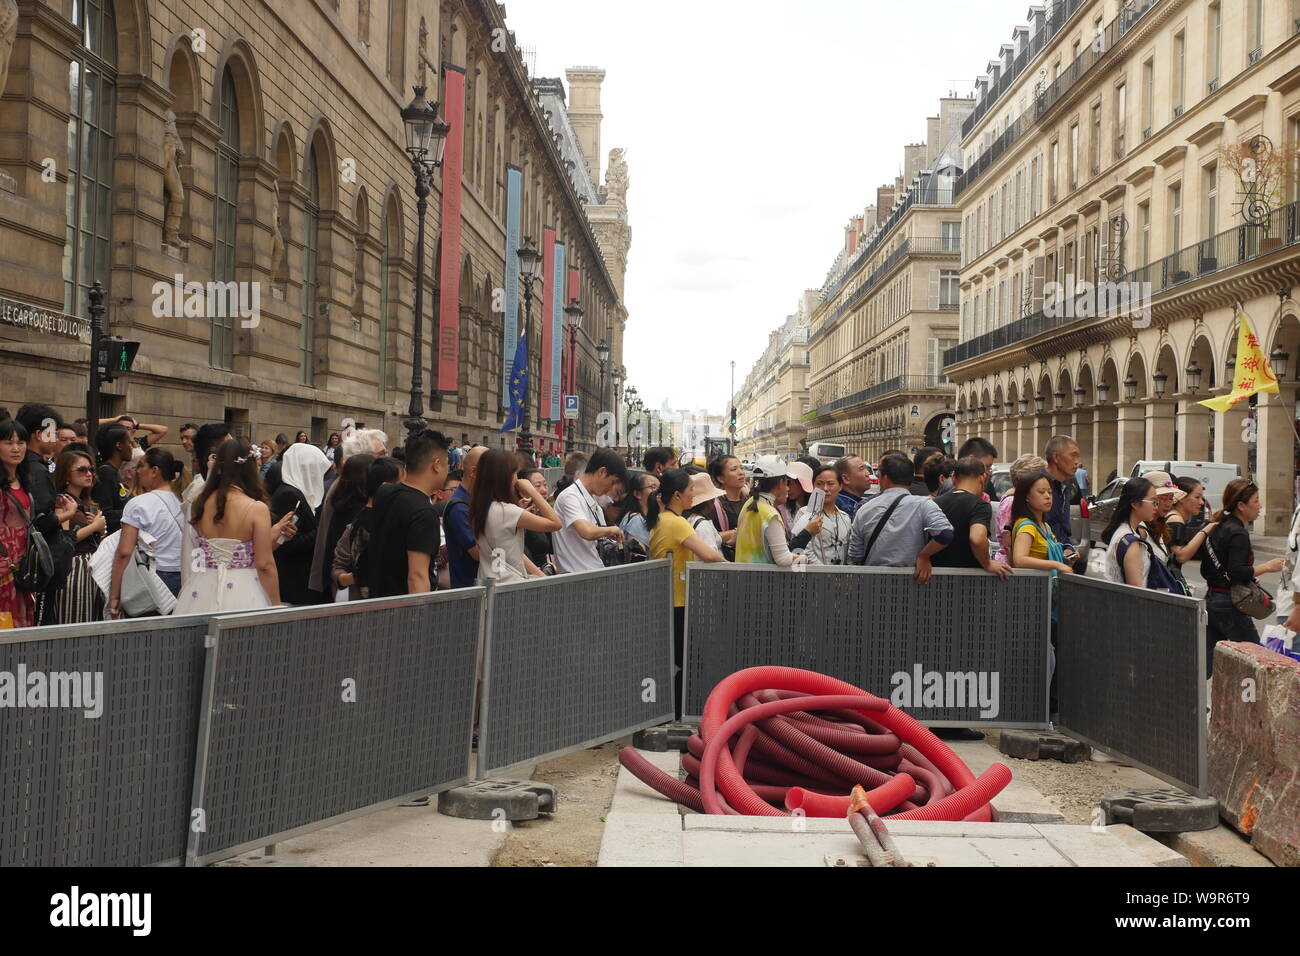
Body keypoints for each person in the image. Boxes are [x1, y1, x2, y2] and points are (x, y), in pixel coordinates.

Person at [647, 468, 727, 714]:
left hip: (668, 598)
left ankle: (671, 710)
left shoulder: (663, 519)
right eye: (691, 490)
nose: (694, 495)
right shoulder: (677, 523)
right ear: (678, 495)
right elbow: (709, 554)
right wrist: (734, 566)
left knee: (677, 660)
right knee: (684, 661)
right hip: (677, 600)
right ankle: (678, 711)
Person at [174, 439, 279, 613]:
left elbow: (195, 550)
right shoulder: (256, 508)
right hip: (245, 588)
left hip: (202, 585)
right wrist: (276, 605)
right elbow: (265, 564)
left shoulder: (198, 504)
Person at [1199, 479, 1285, 677]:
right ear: (1241, 505)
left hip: (1212, 601)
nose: (1260, 505)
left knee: (1204, 666)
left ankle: (1187, 701)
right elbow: (1237, 571)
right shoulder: (1238, 533)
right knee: (1258, 663)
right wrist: (1265, 567)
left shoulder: (1218, 528)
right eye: (1256, 501)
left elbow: (1206, 570)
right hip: (1230, 605)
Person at [1, 419, 75, 629]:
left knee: (21, 630)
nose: (16, 448)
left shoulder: (24, 478)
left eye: (20, 442)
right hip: (4, 564)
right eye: (8, 442)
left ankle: (19, 665)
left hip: (24, 565)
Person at [364, 429, 449, 597]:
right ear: (436, 464)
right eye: (447, 463)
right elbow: (417, 576)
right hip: (404, 613)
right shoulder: (424, 512)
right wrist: (420, 620)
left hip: (377, 601)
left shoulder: (385, 492)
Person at [849, 453, 952, 580]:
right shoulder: (924, 504)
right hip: (912, 581)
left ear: (885, 478)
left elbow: (855, 555)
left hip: (873, 582)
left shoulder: (865, 509)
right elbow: (945, 534)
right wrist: (923, 556)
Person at [109, 447, 186, 614]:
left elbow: (124, 552)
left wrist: (114, 594)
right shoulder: (185, 501)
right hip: (186, 576)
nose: (137, 471)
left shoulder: (138, 504)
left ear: (154, 471)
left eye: (141, 466)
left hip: (153, 577)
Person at [470, 449, 561, 582]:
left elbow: (510, 552)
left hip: (490, 581)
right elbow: (556, 523)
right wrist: (532, 491)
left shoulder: (481, 506)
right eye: (514, 473)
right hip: (509, 583)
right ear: (505, 477)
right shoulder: (506, 511)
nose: (517, 479)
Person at [48, 449, 107, 624]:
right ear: (66, 473)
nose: (88, 474)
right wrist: (95, 526)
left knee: (90, 618)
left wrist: (100, 530)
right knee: (74, 620)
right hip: (73, 568)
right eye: (81, 470)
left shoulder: (84, 503)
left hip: (90, 566)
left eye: (91, 469)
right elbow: (64, 539)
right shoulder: (62, 501)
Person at [270, 442, 332, 605]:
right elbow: (286, 543)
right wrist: (321, 530)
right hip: (294, 581)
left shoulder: (299, 492)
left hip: (302, 579)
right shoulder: (289, 495)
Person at [332, 456, 401, 601]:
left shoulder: (397, 517)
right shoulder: (358, 522)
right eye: (402, 485)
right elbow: (337, 569)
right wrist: (357, 576)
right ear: (385, 487)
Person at [552, 449, 628, 573]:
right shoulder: (570, 496)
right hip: (577, 580)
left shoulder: (594, 503)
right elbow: (586, 531)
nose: (611, 488)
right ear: (602, 472)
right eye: (613, 482)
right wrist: (609, 530)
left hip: (592, 574)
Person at [934, 457, 1010, 578]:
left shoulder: (935, 503)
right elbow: (977, 538)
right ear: (982, 478)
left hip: (935, 576)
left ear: (953, 479)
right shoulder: (980, 506)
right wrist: (987, 563)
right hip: (969, 580)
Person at [735, 456, 816, 566]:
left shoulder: (749, 503)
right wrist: (804, 559)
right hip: (762, 579)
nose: (788, 488)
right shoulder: (770, 514)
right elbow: (783, 559)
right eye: (787, 482)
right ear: (779, 483)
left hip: (743, 576)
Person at [1099, 477, 1161, 588]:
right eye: (1153, 502)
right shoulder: (1131, 542)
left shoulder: (1123, 532)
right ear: (1135, 504)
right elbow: (1137, 592)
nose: (1156, 507)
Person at [444, 445, 487, 589]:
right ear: (474, 472)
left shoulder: (475, 499)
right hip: (469, 589)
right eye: (490, 471)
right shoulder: (459, 508)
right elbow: (478, 554)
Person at [993, 454, 1048, 562]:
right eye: (1038, 477)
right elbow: (1007, 541)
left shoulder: (1021, 499)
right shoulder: (1012, 502)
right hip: (1011, 567)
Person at [794, 464, 853, 565]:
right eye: (819, 484)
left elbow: (849, 552)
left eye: (830, 484)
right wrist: (825, 574)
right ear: (813, 486)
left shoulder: (845, 518)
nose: (825, 488)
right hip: (815, 576)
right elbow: (804, 550)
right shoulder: (805, 514)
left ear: (840, 486)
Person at [1166, 477, 1215, 594]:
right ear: (1182, 497)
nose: (1202, 502)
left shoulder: (1174, 517)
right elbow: (1180, 556)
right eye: (1197, 497)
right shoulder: (1175, 520)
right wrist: (1205, 531)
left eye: (1201, 498)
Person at [1042, 435, 1081, 562]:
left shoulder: (1066, 484)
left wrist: (1067, 547)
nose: (1077, 462)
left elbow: (1061, 526)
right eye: (1073, 455)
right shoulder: (1039, 483)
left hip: (1058, 556)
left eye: (1077, 456)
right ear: (1056, 457)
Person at [92, 423, 136, 535]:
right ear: (119, 445)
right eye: (129, 443)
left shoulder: (114, 472)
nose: (132, 447)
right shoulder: (106, 473)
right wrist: (134, 511)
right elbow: (104, 514)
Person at [704, 454, 747, 560]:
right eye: (734, 469)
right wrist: (734, 533)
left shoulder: (749, 501)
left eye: (741, 468)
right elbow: (706, 536)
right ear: (720, 478)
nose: (741, 472)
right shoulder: (713, 504)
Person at [518, 468, 557, 572]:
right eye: (538, 486)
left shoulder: (544, 513)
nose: (544, 490)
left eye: (545, 484)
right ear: (524, 491)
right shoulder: (520, 516)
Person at [616, 471, 660, 549]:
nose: (658, 492)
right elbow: (638, 556)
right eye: (653, 487)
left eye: (659, 488)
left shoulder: (645, 518)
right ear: (637, 494)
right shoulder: (636, 520)